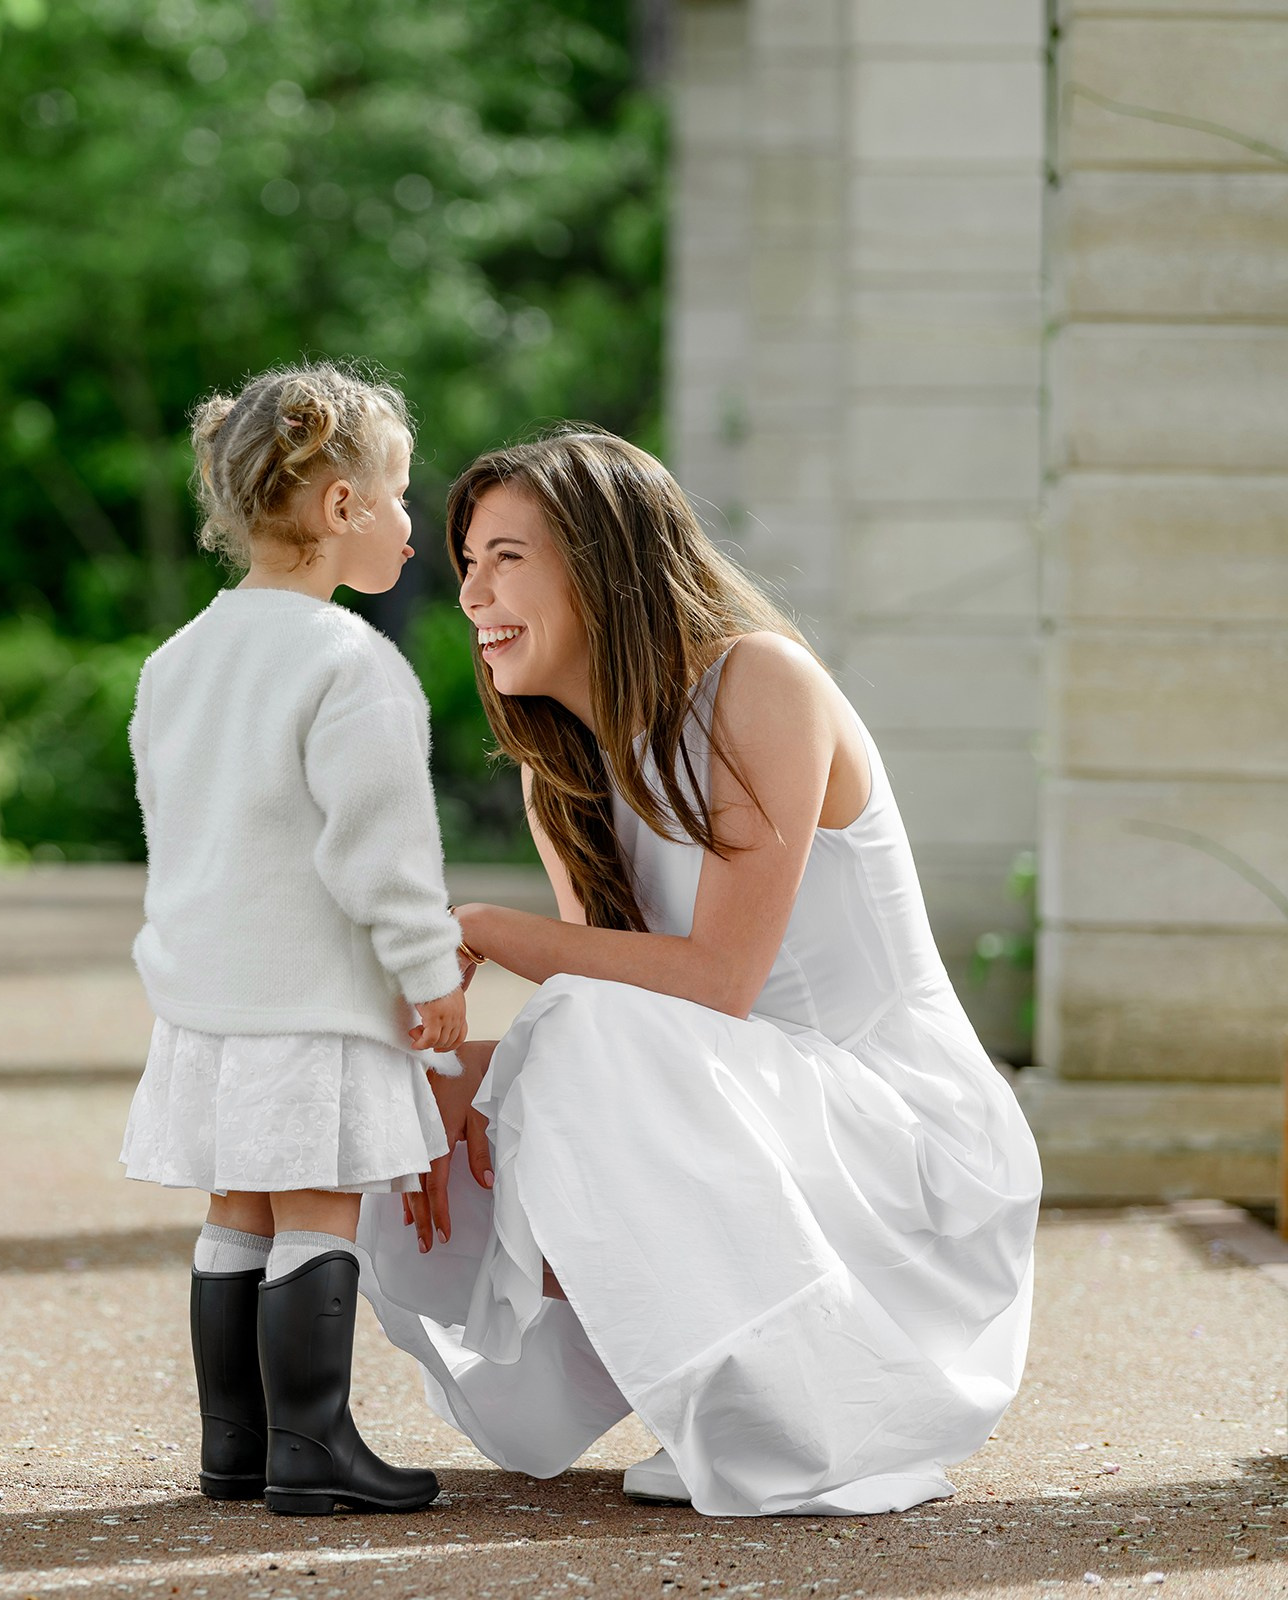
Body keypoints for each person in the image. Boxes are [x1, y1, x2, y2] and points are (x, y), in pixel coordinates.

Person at [354, 427, 1042, 1517]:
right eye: (469, 563)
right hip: (759, 1106)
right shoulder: (565, 779)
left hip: (908, 1145)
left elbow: (714, 984)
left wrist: (483, 927)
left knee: (571, 1037)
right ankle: (723, 1395)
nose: (474, 594)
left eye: (507, 558)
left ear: (602, 560)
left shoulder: (760, 684)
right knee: (408, 1085)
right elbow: (621, 999)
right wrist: (436, 1088)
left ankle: (798, 1415)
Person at [120, 362, 470, 1516]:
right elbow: (384, 853)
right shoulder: (350, 664)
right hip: (314, 1000)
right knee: (319, 1209)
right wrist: (430, 976)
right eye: (401, 494)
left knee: (238, 1211)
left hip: (212, 998)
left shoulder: (175, 663)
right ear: (339, 509)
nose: (415, 522)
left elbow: (170, 831)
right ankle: (312, 1449)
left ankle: (238, 1447)